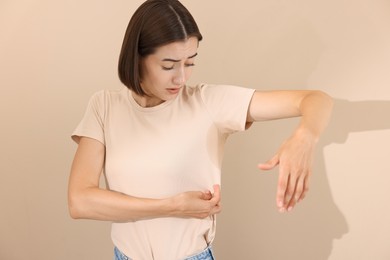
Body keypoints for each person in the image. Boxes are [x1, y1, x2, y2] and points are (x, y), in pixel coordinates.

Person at [67, 0, 333, 259]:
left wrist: (305, 136)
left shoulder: (208, 103)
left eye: (190, 63)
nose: (181, 77)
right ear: (137, 58)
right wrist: (171, 206)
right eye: (168, 65)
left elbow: (316, 100)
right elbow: (80, 201)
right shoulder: (104, 106)